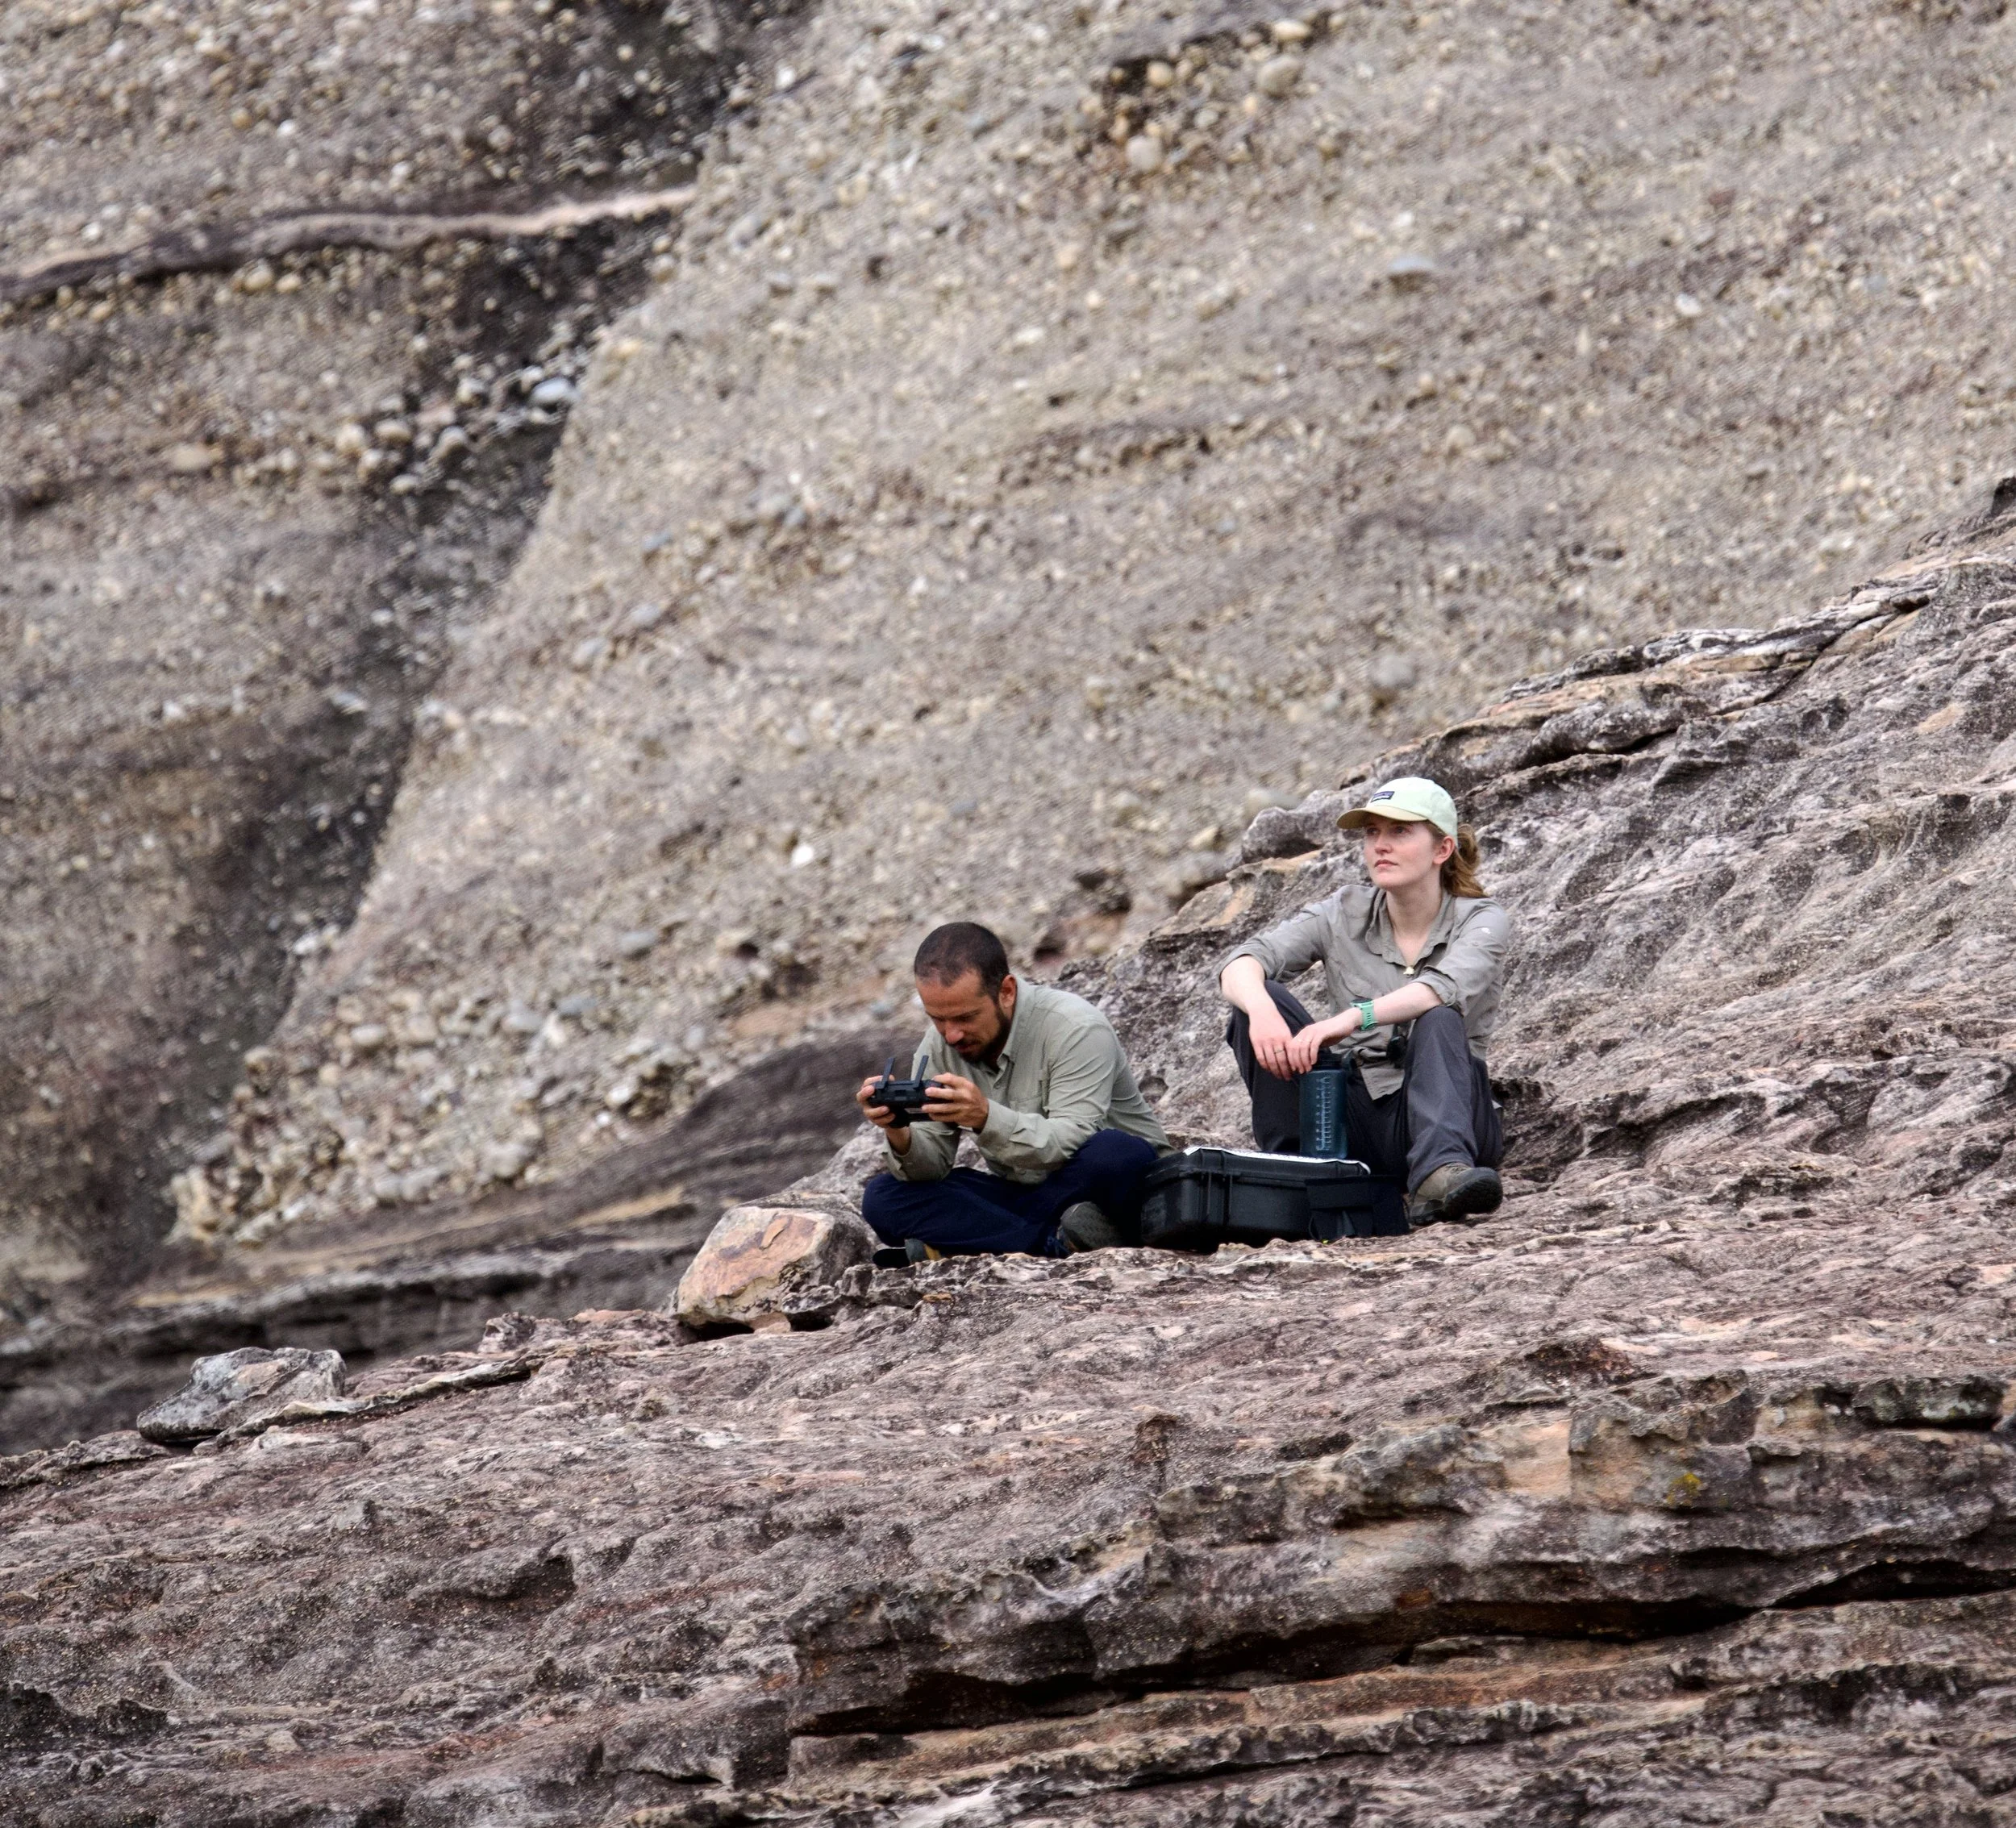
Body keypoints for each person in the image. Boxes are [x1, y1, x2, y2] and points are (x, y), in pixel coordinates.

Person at [1218, 776, 1510, 1228]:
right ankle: (1297, 1174)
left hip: (1453, 1117)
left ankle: (1439, 1176)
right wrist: (1260, 1011)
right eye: (1372, 833)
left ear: (1442, 850)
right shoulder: (1344, 910)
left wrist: (1352, 1018)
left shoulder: (1483, 920)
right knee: (1259, 997)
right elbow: (1243, 962)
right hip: (1360, 1109)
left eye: (1399, 832)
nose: (1380, 846)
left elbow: (1439, 988)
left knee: (1438, 1018)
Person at [856, 922, 1170, 1260]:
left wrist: (985, 1118)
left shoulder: (1075, 1027)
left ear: (1006, 992)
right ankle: (1053, 1241)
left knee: (1118, 1153)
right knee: (883, 1196)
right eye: (937, 1020)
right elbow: (931, 1168)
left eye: (965, 1018)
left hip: (1103, 1187)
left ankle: (978, 1243)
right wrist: (898, 1130)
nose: (951, 1036)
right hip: (1029, 1195)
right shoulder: (940, 1045)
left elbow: (1071, 1140)